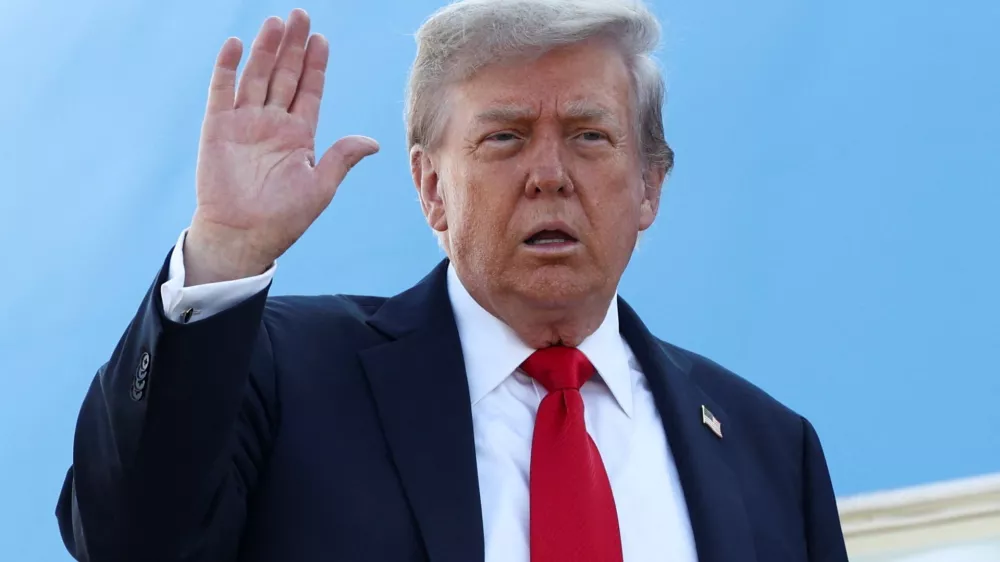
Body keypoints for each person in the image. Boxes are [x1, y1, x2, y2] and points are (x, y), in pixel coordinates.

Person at [55, 1, 849, 561]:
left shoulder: (771, 452)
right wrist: (225, 252)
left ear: (650, 186)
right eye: (505, 137)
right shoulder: (286, 374)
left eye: (589, 135)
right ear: (432, 187)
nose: (549, 173)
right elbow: (127, 540)